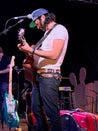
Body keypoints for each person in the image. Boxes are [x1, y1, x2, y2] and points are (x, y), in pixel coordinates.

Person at [18, 8, 69, 131]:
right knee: (36, 111)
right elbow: (39, 56)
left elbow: (54, 54)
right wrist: (27, 52)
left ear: (42, 18)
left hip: (50, 76)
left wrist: (31, 50)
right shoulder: (47, 34)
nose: (37, 27)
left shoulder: (59, 30)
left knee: (51, 113)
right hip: (39, 77)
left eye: (36, 23)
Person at [0, 46, 10, 127]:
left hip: (4, 81)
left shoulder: (6, 58)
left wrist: (0, 72)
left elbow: (9, 69)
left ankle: (5, 115)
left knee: (4, 98)